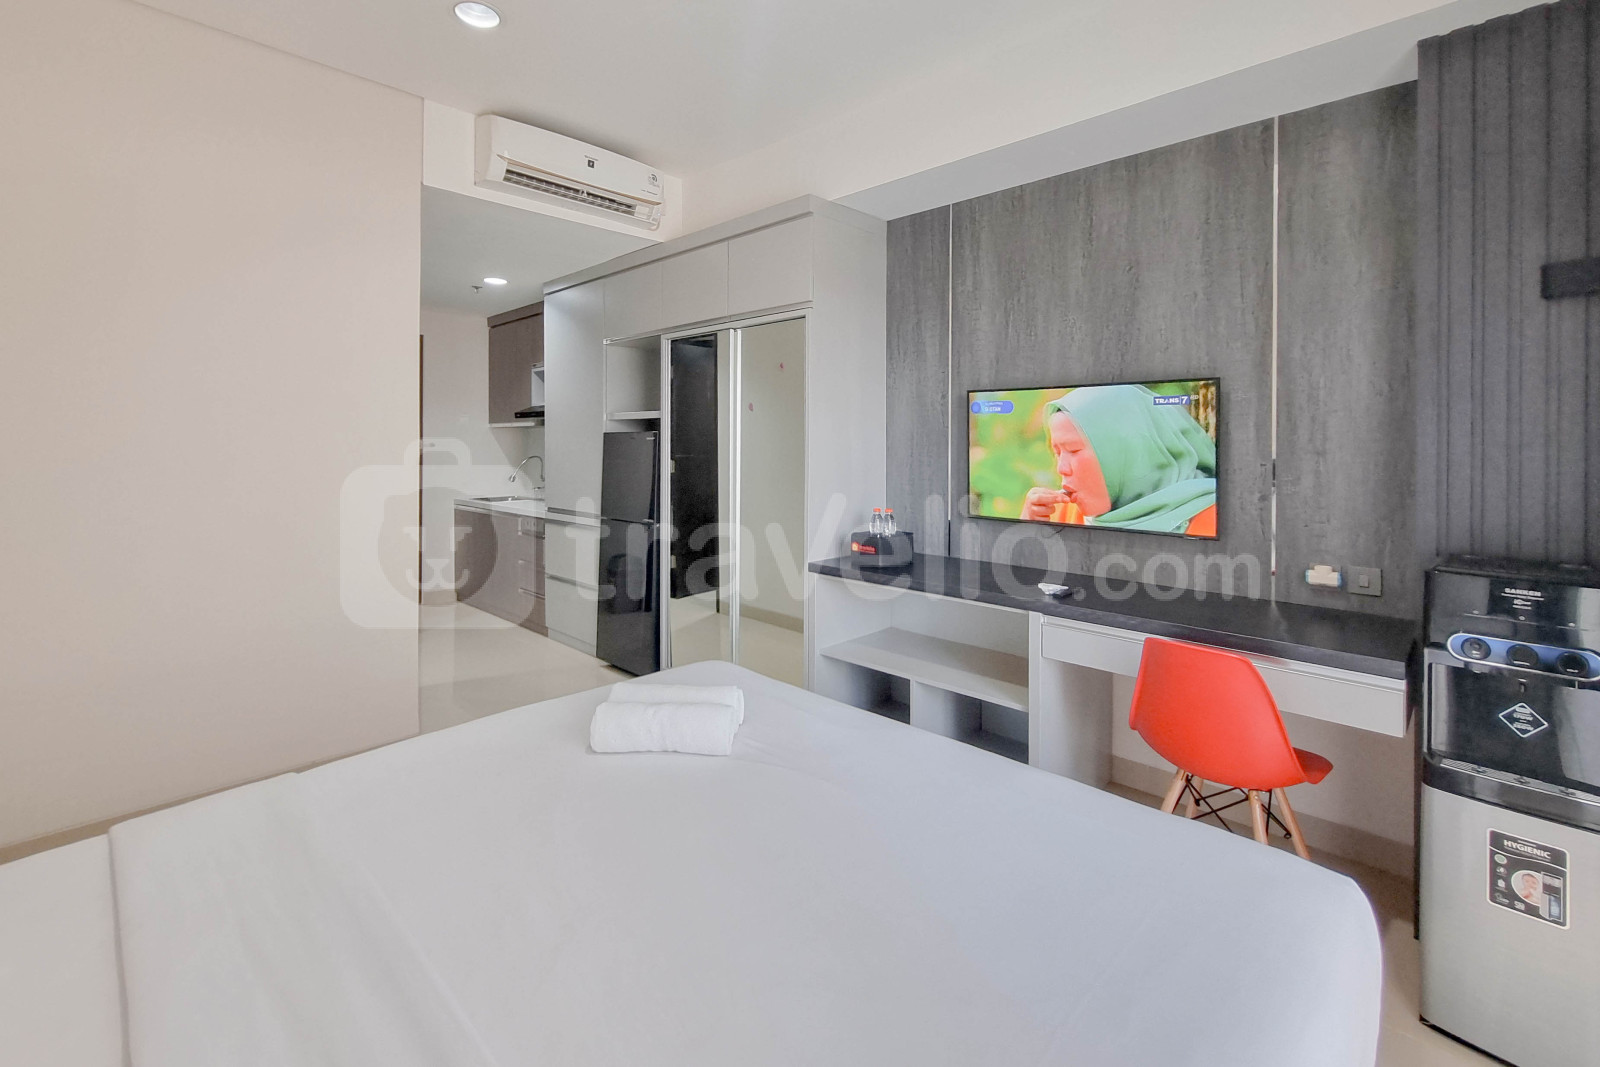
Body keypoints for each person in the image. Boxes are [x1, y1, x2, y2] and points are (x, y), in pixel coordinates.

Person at [1020, 384, 1218, 536]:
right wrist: (1027, 527)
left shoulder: (1211, 516)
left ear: (1130, 449)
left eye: (1073, 450)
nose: (1061, 468)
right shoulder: (1060, 513)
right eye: (1057, 452)